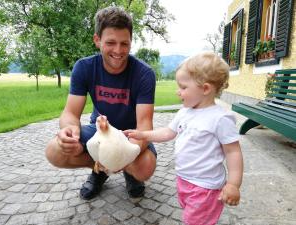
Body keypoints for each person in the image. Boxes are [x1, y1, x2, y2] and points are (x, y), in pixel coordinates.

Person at [45, 6, 157, 200]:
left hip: (131, 134)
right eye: (111, 42)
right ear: (97, 40)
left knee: (145, 167)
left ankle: (127, 172)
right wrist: (70, 132)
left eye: (125, 43)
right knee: (55, 151)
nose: (118, 50)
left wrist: (123, 157)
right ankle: (100, 170)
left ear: (131, 42)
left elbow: (145, 125)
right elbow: (70, 113)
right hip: (100, 131)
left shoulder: (144, 74)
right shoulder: (84, 67)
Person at [124, 52, 243, 225]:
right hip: (184, 180)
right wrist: (143, 134)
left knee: (193, 221)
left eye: (183, 87)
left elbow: (233, 153)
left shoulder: (220, 119)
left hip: (205, 187)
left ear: (205, 89)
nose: (178, 92)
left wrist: (233, 184)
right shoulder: (185, 112)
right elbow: (167, 132)